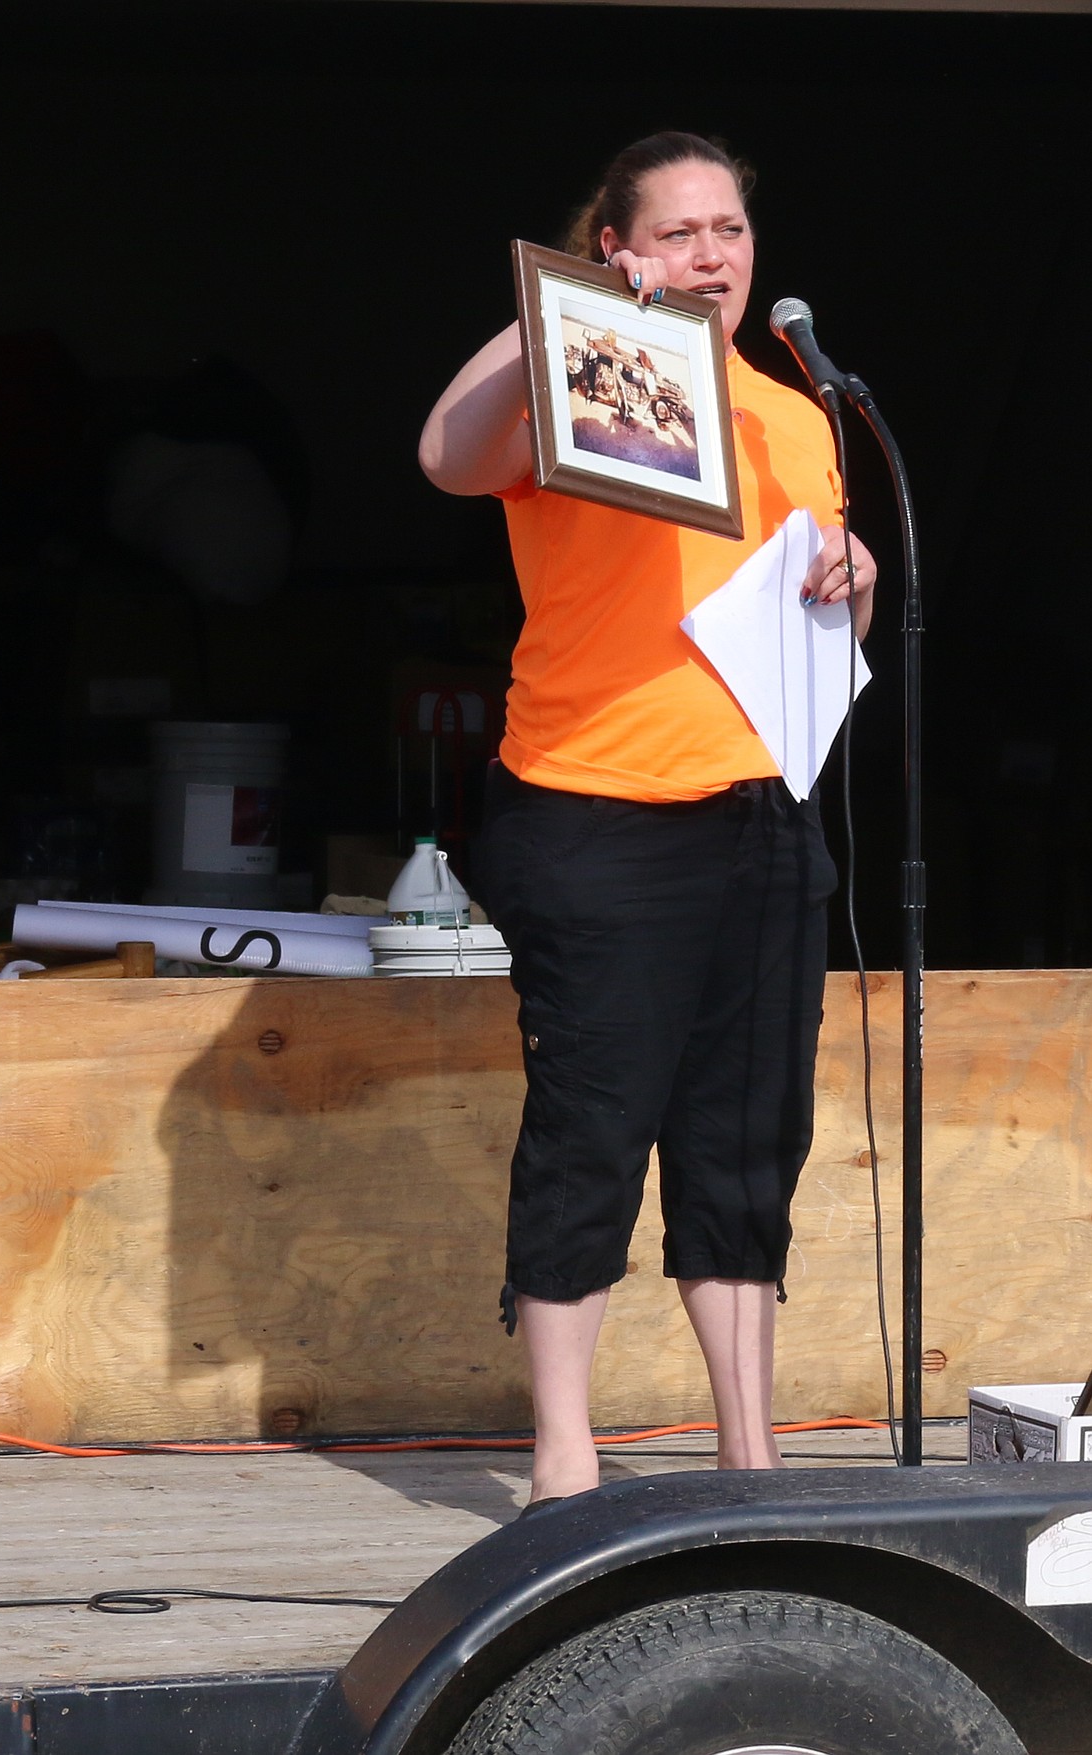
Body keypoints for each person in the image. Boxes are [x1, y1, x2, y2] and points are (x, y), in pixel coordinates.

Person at [418, 130, 877, 1509]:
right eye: (677, 232)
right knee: (592, 1124)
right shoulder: (575, 387)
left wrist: (846, 574)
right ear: (616, 249)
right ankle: (563, 1456)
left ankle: (748, 1454)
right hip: (592, 810)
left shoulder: (792, 415)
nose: (710, 255)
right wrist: (556, 317)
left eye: (727, 230)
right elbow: (445, 454)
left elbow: (821, 596)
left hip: (755, 812)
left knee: (746, 1137)